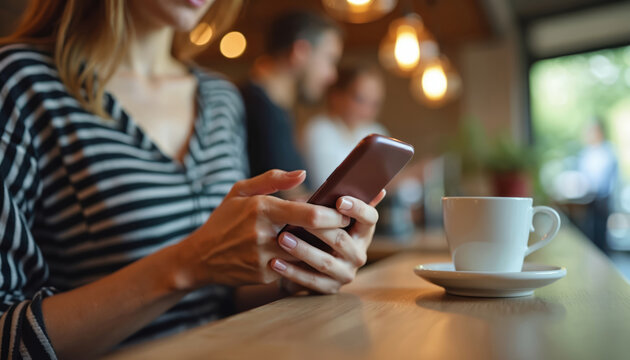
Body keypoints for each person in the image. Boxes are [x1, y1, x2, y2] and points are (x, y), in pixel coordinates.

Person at [0, 1, 384, 358]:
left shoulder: (219, 98)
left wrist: (296, 271)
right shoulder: (21, 84)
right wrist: (189, 263)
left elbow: (218, 296)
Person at [240, 11, 343, 197]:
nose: (332, 75)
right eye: (329, 59)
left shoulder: (277, 109)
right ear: (300, 51)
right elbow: (288, 195)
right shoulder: (249, 106)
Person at [303, 64, 388, 189]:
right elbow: (327, 184)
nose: (367, 111)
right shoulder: (318, 130)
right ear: (336, 96)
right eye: (360, 99)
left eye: (375, 103)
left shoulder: (377, 131)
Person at [578, 119, 618, 252]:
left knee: (602, 233)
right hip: (588, 199)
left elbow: (610, 178)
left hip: (603, 198)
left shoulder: (608, 152)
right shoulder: (586, 153)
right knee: (588, 232)